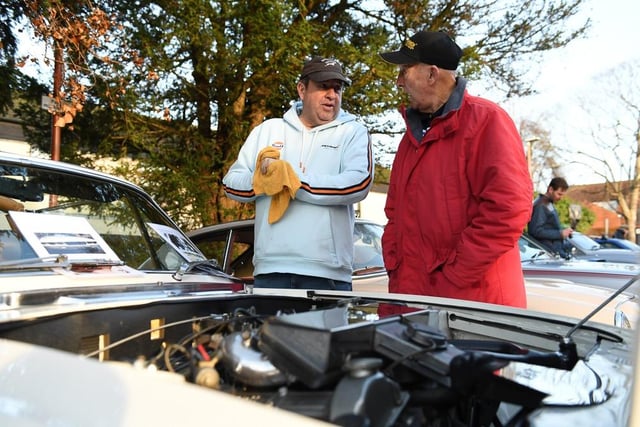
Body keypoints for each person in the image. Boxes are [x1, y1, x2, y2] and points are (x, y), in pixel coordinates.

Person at [378, 30, 533, 308]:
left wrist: (452, 276)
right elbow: (394, 214)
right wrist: (396, 265)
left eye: (404, 70)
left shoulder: (487, 121)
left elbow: (508, 211)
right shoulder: (410, 138)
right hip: (412, 301)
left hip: (472, 309)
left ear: (432, 74)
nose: (398, 81)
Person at [222, 56, 373, 291]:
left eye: (337, 88)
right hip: (271, 270)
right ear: (302, 89)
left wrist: (293, 182)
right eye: (323, 86)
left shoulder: (353, 132)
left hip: (328, 274)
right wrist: (262, 182)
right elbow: (230, 182)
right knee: (270, 331)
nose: (332, 95)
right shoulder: (268, 130)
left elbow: (358, 184)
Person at [527, 177, 573, 258]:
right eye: (559, 194)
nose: (560, 198)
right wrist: (560, 234)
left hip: (553, 253)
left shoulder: (547, 203)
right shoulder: (540, 205)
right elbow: (535, 231)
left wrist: (563, 231)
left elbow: (549, 227)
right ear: (551, 189)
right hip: (547, 255)